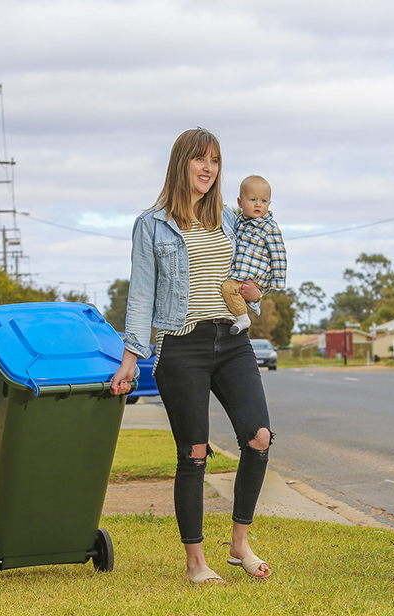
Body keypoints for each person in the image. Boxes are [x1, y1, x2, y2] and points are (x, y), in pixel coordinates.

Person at [110, 128, 274, 584]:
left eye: (216, 161)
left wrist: (254, 292)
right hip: (182, 345)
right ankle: (196, 563)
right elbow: (141, 295)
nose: (208, 169)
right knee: (195, 452)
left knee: (259, 436)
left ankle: (239, 544)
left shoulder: (231, 219)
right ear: (180, 163)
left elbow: (248, 274)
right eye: (200, 160)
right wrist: (130, 358)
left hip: (233, 340)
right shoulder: (153, 224)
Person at [220, 175, 287, 335]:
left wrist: (276, 282)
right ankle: (242, 314)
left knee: (227, 288)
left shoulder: (269, 227)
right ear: (239, 202)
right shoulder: (238, 223)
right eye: (252, 200)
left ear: (269, 203)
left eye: (263, 201)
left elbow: (278, 255)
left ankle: (243, 318)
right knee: (229, 289)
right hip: (239, 274)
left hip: (255, 277)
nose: (258, 204)